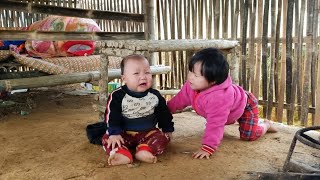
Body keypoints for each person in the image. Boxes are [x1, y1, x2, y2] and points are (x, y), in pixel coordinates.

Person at [167, 48, 277, 159]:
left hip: (246, 105)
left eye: (196, 75)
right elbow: (179, 100)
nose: (190, 77)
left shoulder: (219, 98)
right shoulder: (191, 85)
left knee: (248, 136)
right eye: (190, 71)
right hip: (231, 105)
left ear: (213, 81)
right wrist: (165, 109)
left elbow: (215, 124)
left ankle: (266, 125)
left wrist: (208, 147)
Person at [102, 54, 174, 166]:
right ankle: (121, 152)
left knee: (162, 137)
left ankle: (145, 150)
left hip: (148, 133)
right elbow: (111, 116)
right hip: (123, 133)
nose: (143, 77)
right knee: (107, 138)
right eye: (136, 73)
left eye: (147, 72)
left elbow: (164, 113)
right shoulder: (117, 96)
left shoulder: (155, 95)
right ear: (124, 78)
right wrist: (114, 133)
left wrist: (167, 128)